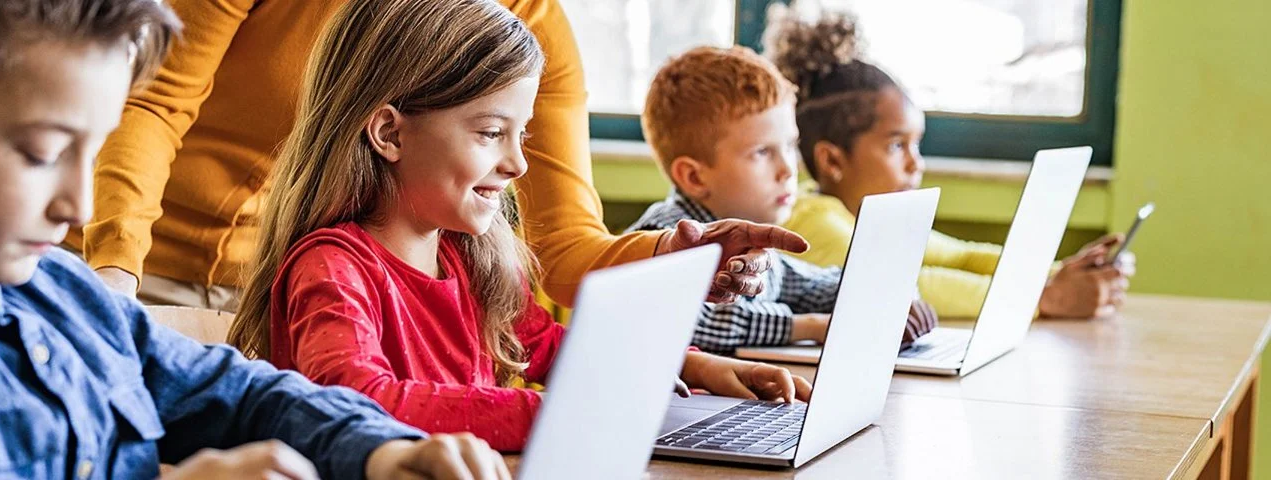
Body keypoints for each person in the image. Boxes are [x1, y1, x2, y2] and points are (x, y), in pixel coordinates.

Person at [0, 1, 508, 478]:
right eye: (41, 153)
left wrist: (379, 451)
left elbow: (239, 393)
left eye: (92, 154)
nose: (79, 206)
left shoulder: (64, 292)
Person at [227, 0, 813, 452]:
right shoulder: (331, 267)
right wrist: (559, 415)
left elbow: (544, 345)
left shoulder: (466, 256)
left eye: (521, 133)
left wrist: (690, 363)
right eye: (490, 133)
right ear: (390, 133)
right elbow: (357, 401)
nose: (518, 162)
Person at [74, 0, 809, 312]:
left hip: (323, 291)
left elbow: (561, 245)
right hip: (152, 276)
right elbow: (151, 105)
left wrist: (673, 259)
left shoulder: (532, 23)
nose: (508, 158)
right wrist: (112, 273)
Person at [762, 7, 1132, 318]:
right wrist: (1048, 297)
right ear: (832, 160)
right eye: (896, 146)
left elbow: (962, 257)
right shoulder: (812, 221)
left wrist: (1062, 272)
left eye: (916, 145)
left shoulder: (865, 215)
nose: (915, 164)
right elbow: (907, 288)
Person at [625, 45, 936, 353]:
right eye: (762, 152)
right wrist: (811, 327)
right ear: (694, 177)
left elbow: (812, 287)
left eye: (789, 146)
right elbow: (693, 319)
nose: (788, 168)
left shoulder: (757, 246)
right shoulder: (661, 237)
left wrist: (890, 295)